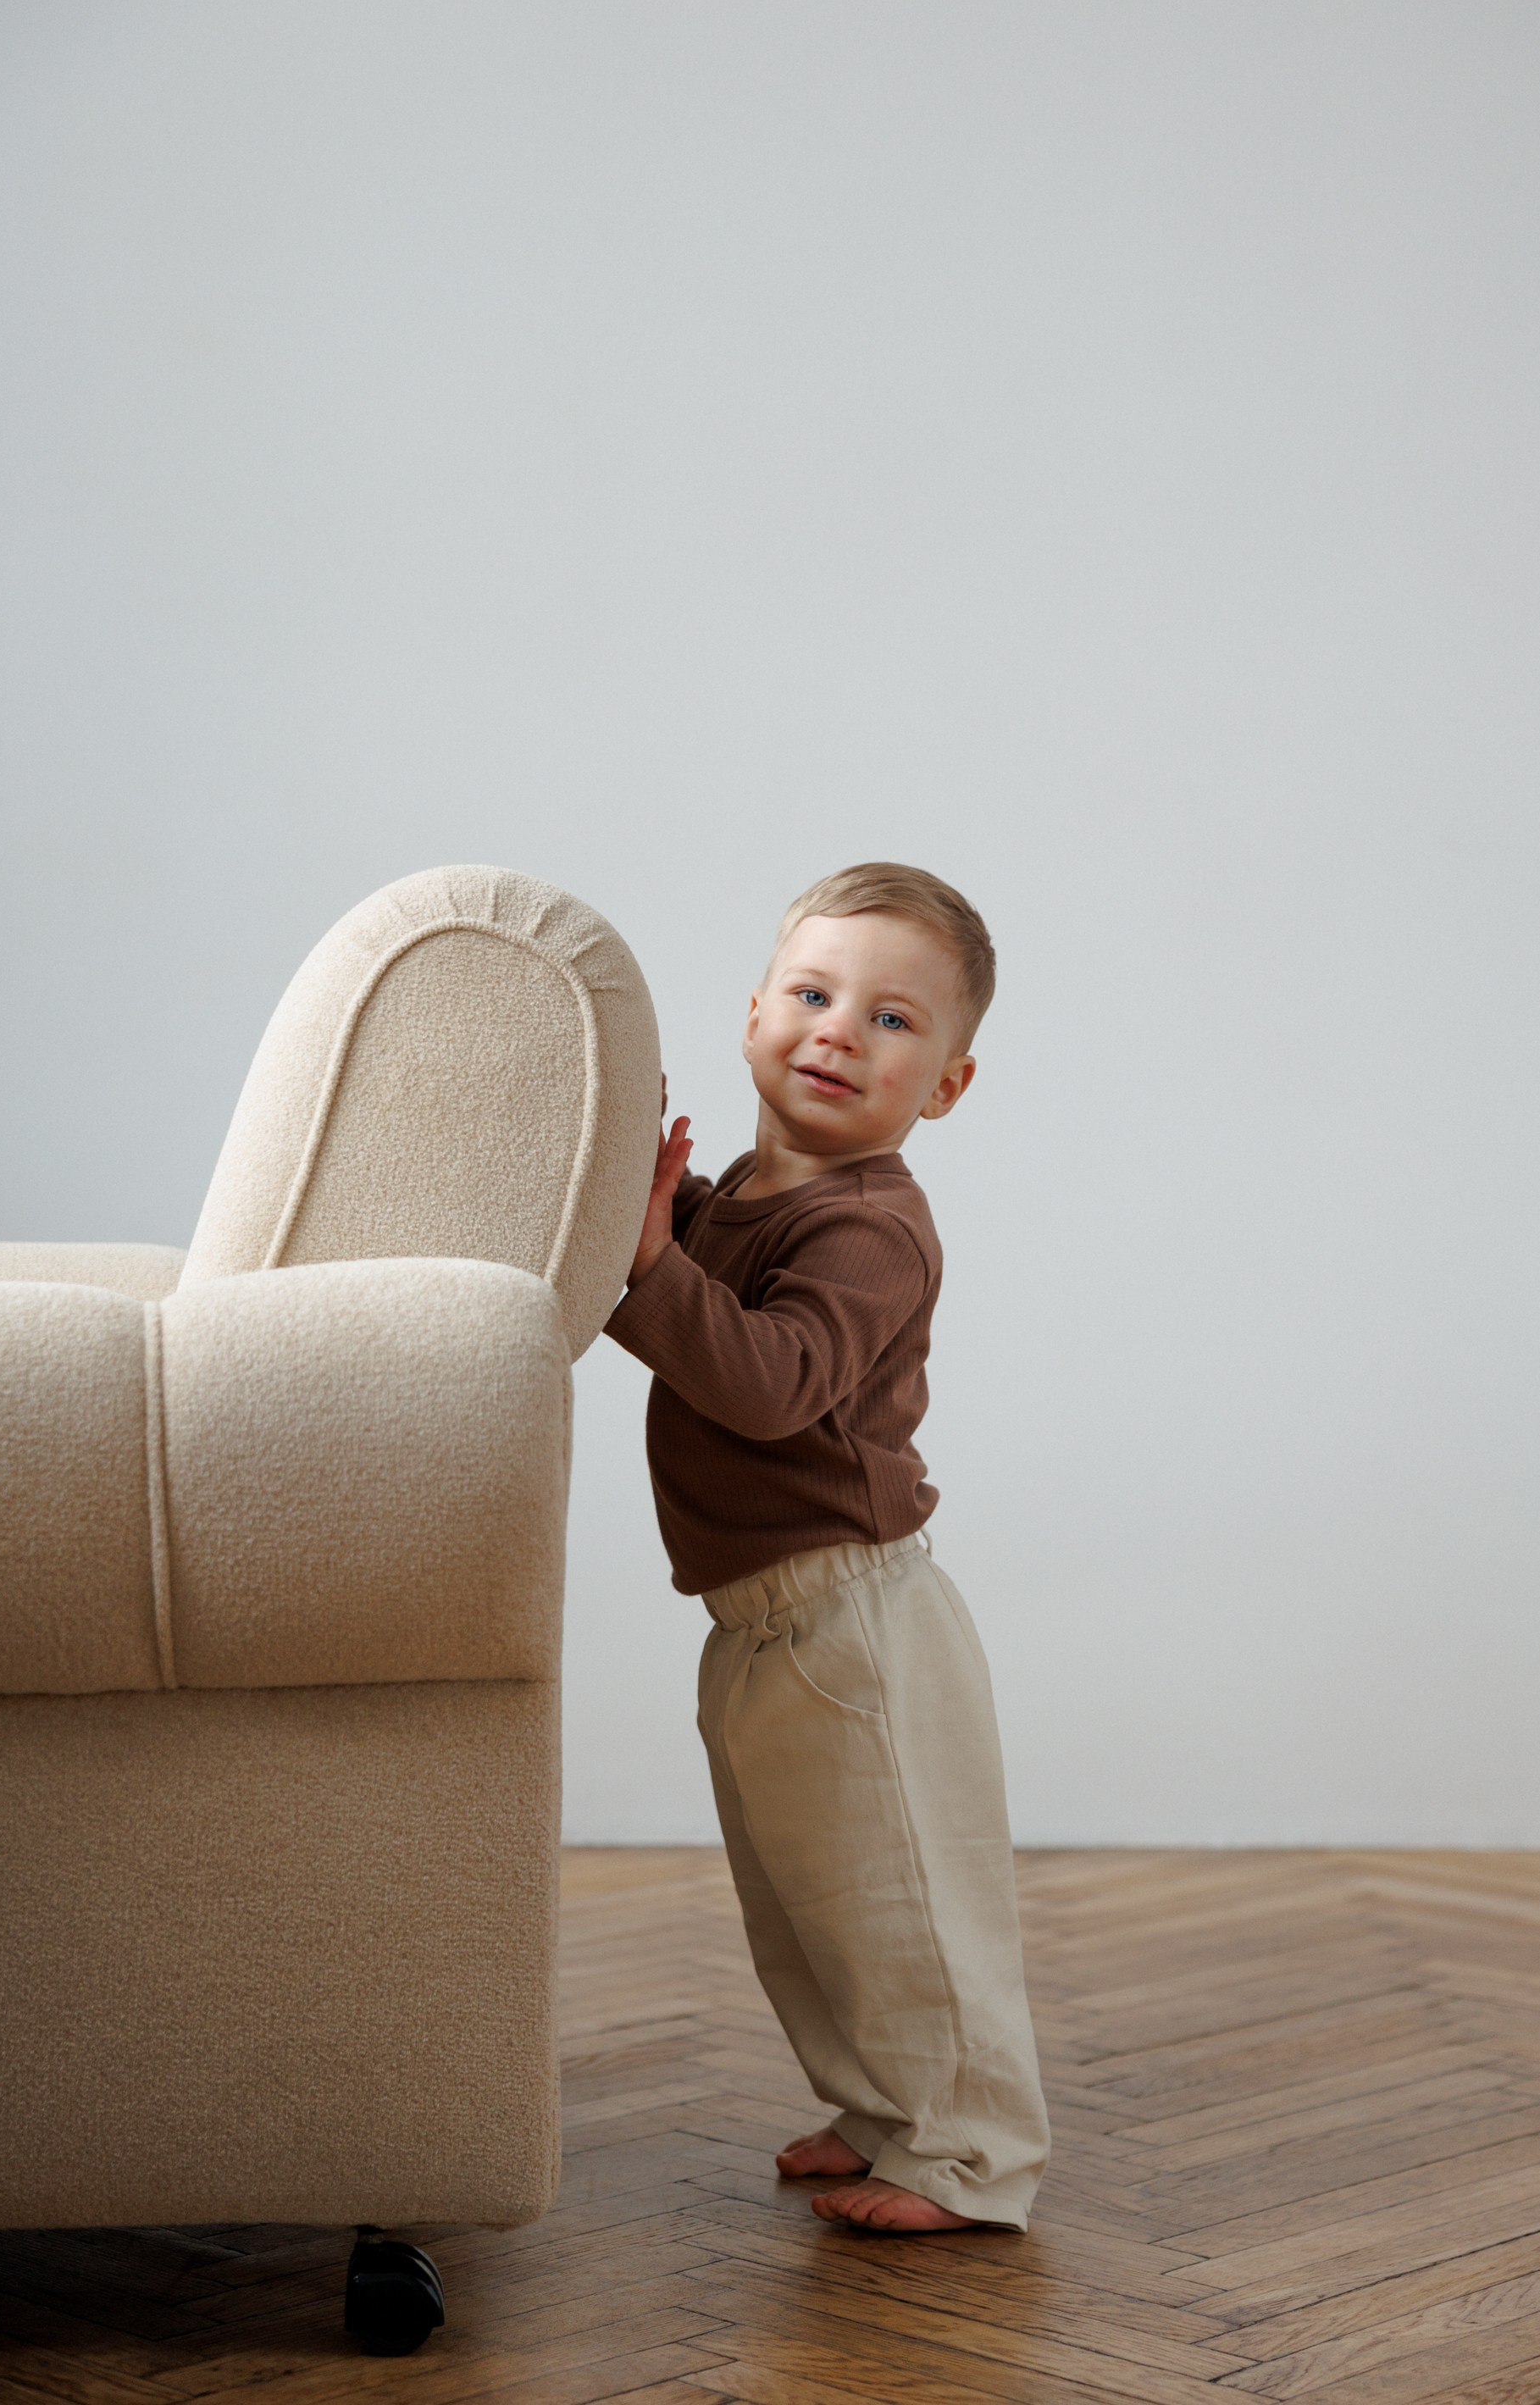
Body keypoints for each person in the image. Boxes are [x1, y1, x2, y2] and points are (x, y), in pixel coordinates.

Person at [605, 862, 1049, 2233]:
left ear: (949, 1087)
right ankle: (883, 2111)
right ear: (750, 1020)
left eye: (895, 1021)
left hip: (854, 1620)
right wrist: (651, 1220)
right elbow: (676, 1282)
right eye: (812, 993)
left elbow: (770, 1377)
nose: (841, 1030)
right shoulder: (736, 1192)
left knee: (902, 1897)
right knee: (811, 1902)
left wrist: (649, 1263)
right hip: (759, 1622)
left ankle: (973, 2158)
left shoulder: (869, 1228)